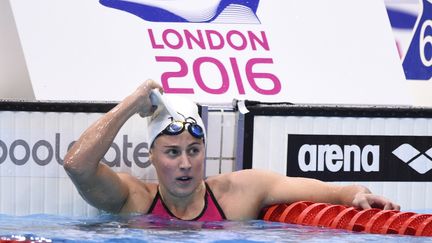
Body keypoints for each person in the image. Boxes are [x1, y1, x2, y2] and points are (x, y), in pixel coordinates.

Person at [63, 79, 400, 221]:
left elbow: (335, 192)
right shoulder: (131, 198)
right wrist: (132, 102)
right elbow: (77, 164)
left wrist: (357, 194)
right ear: (151, 154)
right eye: (172, 152)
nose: (185, 164)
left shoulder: (241, 192)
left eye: (194, 150)